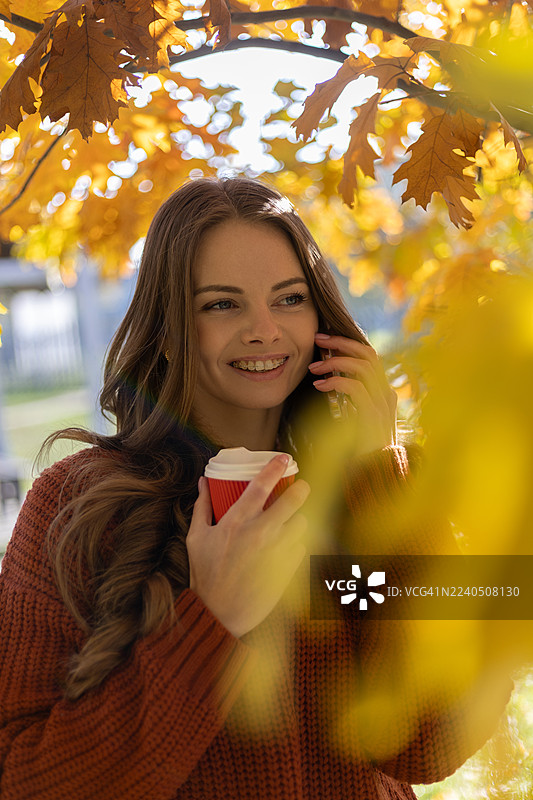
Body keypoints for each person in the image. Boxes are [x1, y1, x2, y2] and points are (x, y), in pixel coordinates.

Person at [0, 178, 511, 799]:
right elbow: (25, 780)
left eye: (289, 298)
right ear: (168, 327)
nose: (265, 330)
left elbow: (436, 744)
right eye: (222, 304)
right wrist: (210, 620)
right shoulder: (78, 505)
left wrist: (383, 475)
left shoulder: (366, 488)